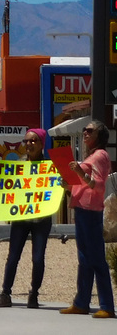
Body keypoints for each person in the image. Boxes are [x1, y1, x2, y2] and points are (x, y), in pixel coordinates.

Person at [0, 128, 51, 309]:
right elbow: (8, 187)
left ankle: (34, 294)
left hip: (41, 219)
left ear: (41, 144)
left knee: (38, 258)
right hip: (21, 218)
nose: (29, 144)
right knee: (13, 256)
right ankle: (5, 293)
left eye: (33, 141)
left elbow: (57, 190)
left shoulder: (49, 166)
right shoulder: (18, 164)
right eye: (26, 141)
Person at [60, 120, 115, 318]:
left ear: (99, 136)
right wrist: (68, 184)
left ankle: (107, 305)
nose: (85, 132)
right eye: (84, 129)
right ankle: (81, 302)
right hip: (83, 208)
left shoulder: (100, 155)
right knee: (84, 258)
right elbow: (84, 185)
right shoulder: (92, 156)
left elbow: (99, 186)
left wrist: (79, 172)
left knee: (96, 258)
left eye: (90, 130)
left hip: (91, 211)